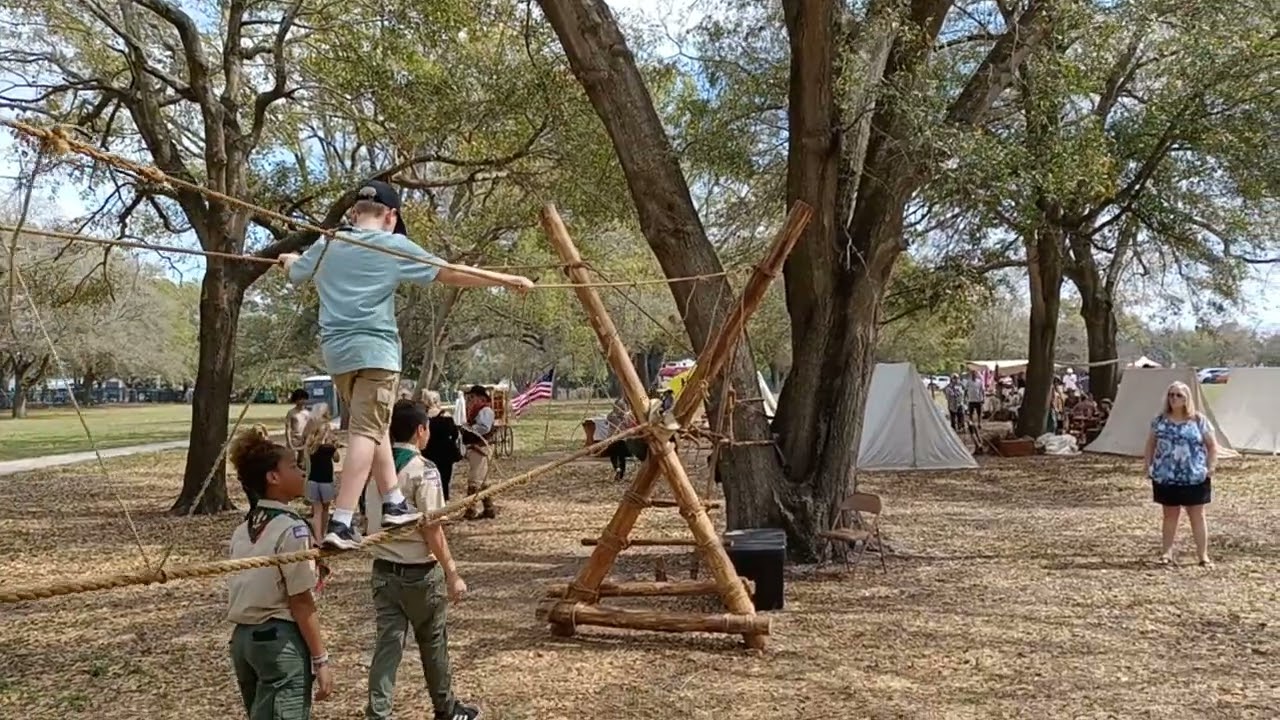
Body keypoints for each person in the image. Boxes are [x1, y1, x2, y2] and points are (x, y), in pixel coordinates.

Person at [279, 180, 534, 550]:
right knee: (366, 432)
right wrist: (507, 279)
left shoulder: (328, 242)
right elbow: (450, 272)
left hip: (338, 355)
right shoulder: (392, 245)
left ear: (354, 213)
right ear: (391, 216)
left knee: (375, 424)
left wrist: (288, 262)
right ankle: (343, 520)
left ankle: (394, 501)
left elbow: (296, 272)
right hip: (376, 353)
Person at [362, 400, 479, 720]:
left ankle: (378, 713)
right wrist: (452, 572)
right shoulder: (423, 470)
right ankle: (446, 709)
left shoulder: (375, 470)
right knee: (433, 643)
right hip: (419, 573)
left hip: (383, 569)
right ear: (420, 430)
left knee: (388, 646)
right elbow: (432, 528)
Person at [225, 426, 334, 719]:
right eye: (294, 466)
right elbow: (300, 601)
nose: (301, 472)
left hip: (243, 641)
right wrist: (321, 659)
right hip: (276, 640)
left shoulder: (242, 530)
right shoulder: (292, 528)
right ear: (273, 478)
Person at [1142, 380, 1219, 567]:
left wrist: (1210, 467)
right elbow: (1151, 444)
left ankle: (1203, 555)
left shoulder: (1199, 420)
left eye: (1178, 395)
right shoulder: (1159, 421)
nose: (1174, 398)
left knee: (1197, 516)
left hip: (1194, 475)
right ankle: (1167, 553)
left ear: (1186, 399)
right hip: (1167, 475)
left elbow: (1212, 446)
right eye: (1171, 395)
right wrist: (1148, 465)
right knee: (1170, 515)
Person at [301, 403, 340, 541]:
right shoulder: (329, 446)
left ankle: (317, 538)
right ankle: (323, 535)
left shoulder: (310, 444)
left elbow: (306, 461)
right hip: (326, 480)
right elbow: (336, 459)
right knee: (325, 511)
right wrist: (335, 446)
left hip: (312, 479)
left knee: (316, 511)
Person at [459, 385, 496, 520]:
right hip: (476, 448)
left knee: (474, 480)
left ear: (481, 398)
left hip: (481, 448)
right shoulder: (476, 410)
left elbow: (484, 428)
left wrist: (468, 429)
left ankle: (470, 510)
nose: (470, 399)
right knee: (482, 480)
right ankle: (489, 509)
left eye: (472, 397)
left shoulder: (485, 410)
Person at [419, 390, 463, 502]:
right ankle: (444, 500)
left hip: (428, 451)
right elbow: (455, 434)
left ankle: (431, 500)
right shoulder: (446, 416)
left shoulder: (422, 417)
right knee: (444, 478)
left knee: (429, 478)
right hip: (445, 452)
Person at [603, 399, 635, 481]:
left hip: (620, 440)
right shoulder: (612, 416)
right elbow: (609, 421)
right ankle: (618, 470)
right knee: (617, 456)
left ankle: (618, 471)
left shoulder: (626, 416)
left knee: (618, 456)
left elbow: (629, 425)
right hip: (615, 440)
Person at [284, 389, 311, 467]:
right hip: (294, 439)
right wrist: (289, 442)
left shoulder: (307, 413)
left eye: (303, 399)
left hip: (304, 439)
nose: (302, 401)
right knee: (291, 460)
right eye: (299, 399)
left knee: (302, 461)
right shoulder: (291, 413)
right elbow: (288, 428)